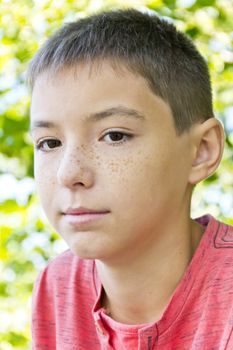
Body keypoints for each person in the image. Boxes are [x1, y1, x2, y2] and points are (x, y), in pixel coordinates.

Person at [28, 8, 233, 350]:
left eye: (114, 136)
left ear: (201, 150)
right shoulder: (57, 286)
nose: (69, 173)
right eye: (49, 143)